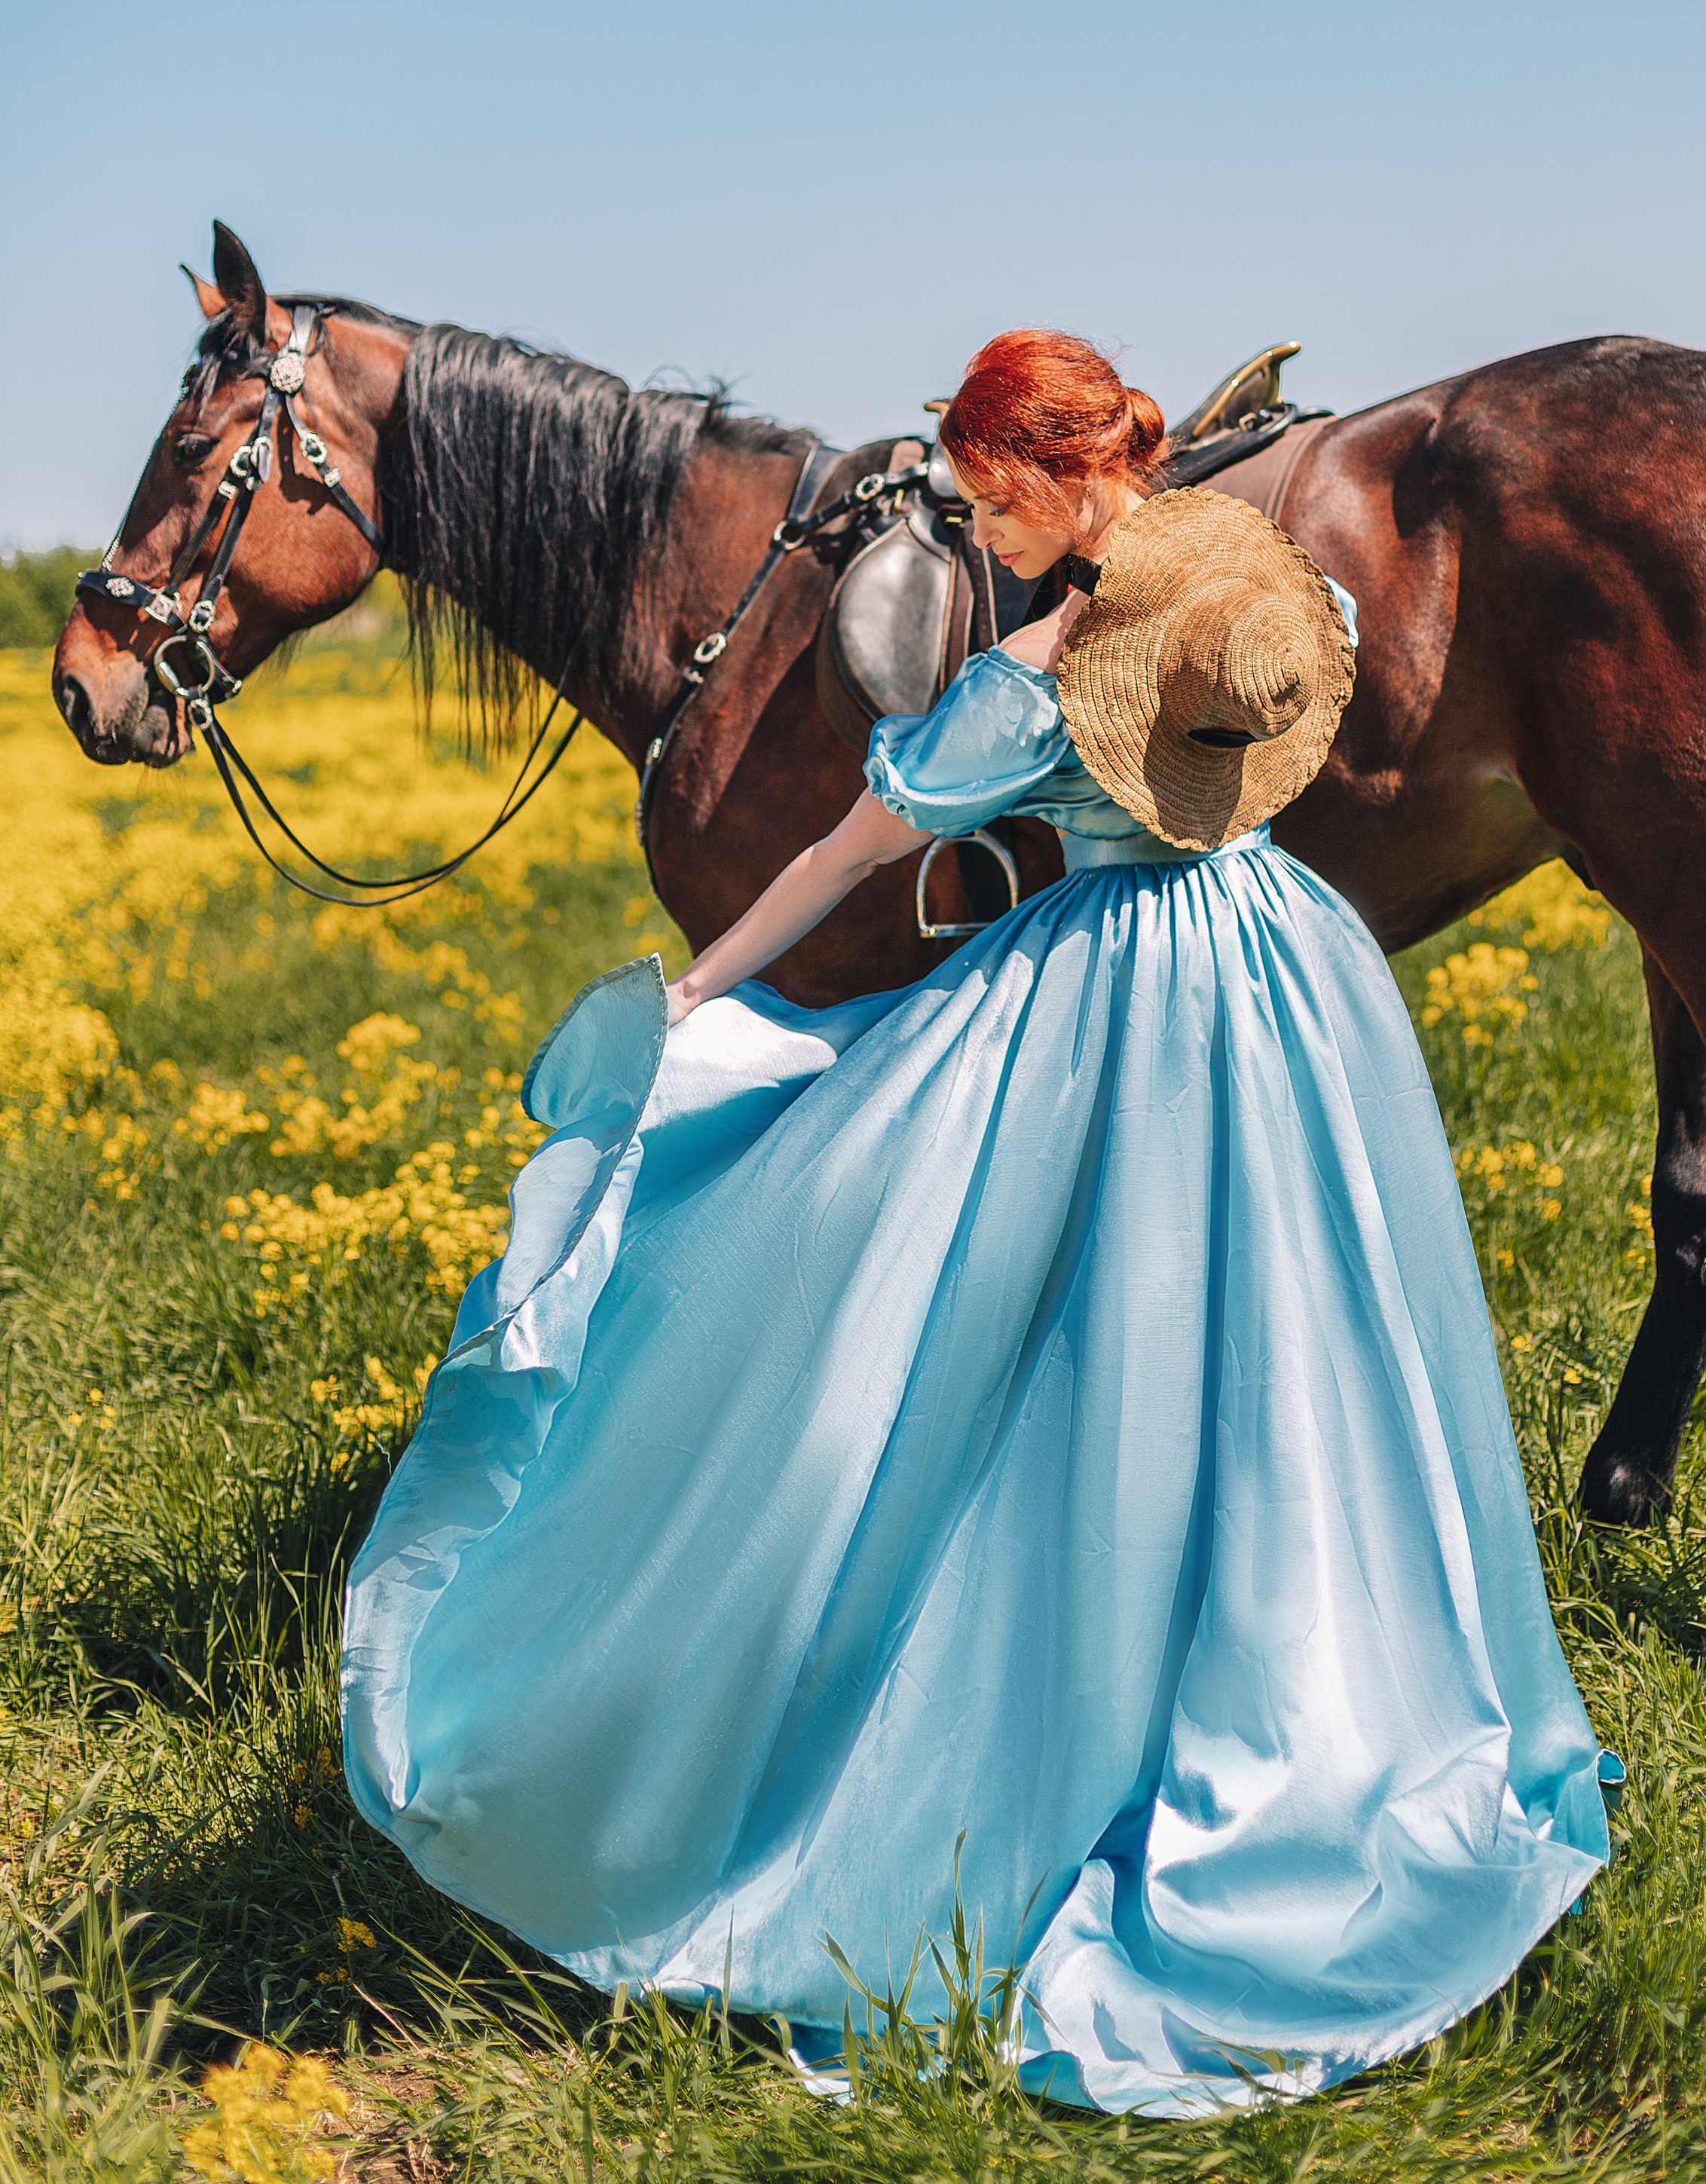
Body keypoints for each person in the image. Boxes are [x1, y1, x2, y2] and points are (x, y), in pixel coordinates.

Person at [342, 327, 1614, 2119]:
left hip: (1105, 1005)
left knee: (1018, 1332)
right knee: (1299, 1346)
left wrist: (702, 990)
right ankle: (1314, 1696)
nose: (972, 529)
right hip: (1283, 987)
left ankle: (1017, 1709)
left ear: (1040, 481)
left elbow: (849, 854)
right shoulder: (1267, 600)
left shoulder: (1031, 673)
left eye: (983, 497)